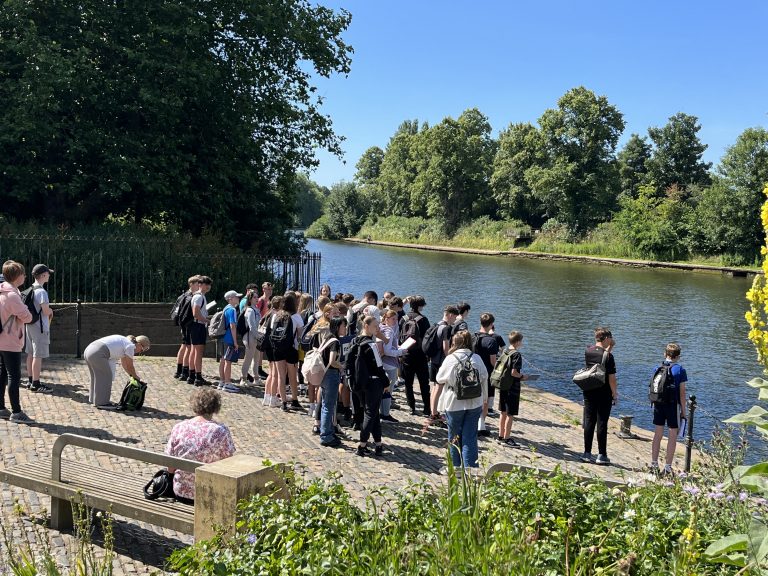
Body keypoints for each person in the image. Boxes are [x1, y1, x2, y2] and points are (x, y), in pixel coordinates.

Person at [165, 388, 236, 503]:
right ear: (215, 407)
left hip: (181, 492)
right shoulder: (220, 431)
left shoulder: (179, 427)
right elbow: (228, 463)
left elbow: (170, 464)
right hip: (209, 494)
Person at [436, 330, 488, 470]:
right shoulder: (477, 358)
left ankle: (455, 467)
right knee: (470, 437)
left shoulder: (451, 358)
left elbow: (439, 378)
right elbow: (484, 378)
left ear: (454, 343)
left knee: (454, 437)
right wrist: (485, 400)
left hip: (454, 402)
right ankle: (470, 469)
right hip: (474, 401)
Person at [0, 260, 34, 422]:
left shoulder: (2, 291)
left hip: (1, 338)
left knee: (2, 374)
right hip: (10, 339)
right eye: (23, 273)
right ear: (16, 276)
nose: (25, 276)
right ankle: (17, 412)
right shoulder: (13, 295)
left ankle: (1, 407)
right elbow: (27, 317)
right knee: (13, 375)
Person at [581, 327, 618, 465]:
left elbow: (601, 360)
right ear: (606, 338)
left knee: (589, 421)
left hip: (589, 390)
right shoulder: (609, 357)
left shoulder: (588, 351)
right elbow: (611, 378)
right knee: (602, 422)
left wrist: (610, 347)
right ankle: (602, 454)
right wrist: (614, 394)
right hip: (604, 392)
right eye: (610, 338)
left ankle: (587, 453)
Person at [83, 334, 150, 409]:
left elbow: (124, 364)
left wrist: (132, 376)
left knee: (96, 376)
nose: (139, 352)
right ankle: (102, 403)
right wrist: (136, 377)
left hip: (89, 350)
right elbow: (130, 366)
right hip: (97, 353)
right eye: (142, 350)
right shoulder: (130, 346)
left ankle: (94, 399)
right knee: (106, 377)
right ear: (140, 344)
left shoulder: (126, 342)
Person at [353, 316, 388, 457]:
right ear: (366, 326)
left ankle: (378, 444)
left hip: (360, 383)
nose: (377, 329)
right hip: (374, 383)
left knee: (373, 413)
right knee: (370, 413)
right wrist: (386, 383)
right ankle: (362, 445)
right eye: (375, 326)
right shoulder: (371, 345)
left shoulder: (355, 341)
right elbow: (379, 368)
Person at [650, 343, 688, 475]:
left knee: (657, 434)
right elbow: (682, 393)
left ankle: (653, 464)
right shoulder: (680, 370)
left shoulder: (657, 368)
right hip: (673, 406)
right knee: (672, 435)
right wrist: (684, 411)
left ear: (664, 354)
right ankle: (667, 467)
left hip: (658, 404)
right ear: (678, 356)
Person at [315, 317, 347, 448]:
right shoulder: (335, 341)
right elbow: (332, 360)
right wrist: (342, 366)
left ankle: (327, 431)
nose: (345, 328)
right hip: (331, 375)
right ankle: (326, 435)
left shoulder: (327, 338)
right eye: (344, 326)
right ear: (338, 326)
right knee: (329, 405)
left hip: (323, 374)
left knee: (324, 404)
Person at [24, 263, 54, 392]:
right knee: (38, 355)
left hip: (30, 326)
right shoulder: (42, 292)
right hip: (40, 327)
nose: (49, 276)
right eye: (48, 274)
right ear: (43, 275)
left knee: (30, 353)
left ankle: (30, 380)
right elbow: (46, 311)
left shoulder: (31, 289)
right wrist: (51, 310)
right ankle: (36, 384)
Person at [399, 295, 431, 416]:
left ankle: (412, 407)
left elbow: (399, 337)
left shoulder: (403, 319)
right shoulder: (423, 319)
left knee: (408, 382)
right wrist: (428, 355)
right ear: (420, 306)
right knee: (424, 383)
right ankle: (427, 408)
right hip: (420, 355)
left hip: (406, 354)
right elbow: (427, 340)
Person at [427, 305, 458, 427]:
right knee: (438, 388)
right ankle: (434, 415)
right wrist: (451, 358)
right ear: (450, 315)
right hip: (441, 361)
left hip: (433, 360)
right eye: (454, 317)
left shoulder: (437, 324)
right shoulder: (446, 328)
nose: (455, 320)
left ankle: (433, 412)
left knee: (434, 387)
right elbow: (446, 348)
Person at [497, 331, 528, 448]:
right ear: (518, 342)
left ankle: (500, 436)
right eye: (521, 341)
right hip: (512, 387)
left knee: (503, 411)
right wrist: (522, 376)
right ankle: (507, 438)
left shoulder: (505, 351)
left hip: (503, 385)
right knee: (510, 414)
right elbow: (514, 372)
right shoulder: (516, 355)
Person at [474, 313, 500, 436]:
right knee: (485, 400)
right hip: (486, 374)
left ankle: (472, 422)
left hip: (473, 371)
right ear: (491, 324)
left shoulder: (473, 337)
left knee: (473, 397)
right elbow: (493, 361)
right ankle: (481, 426)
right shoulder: (491, 341)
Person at [187, 276, 212, 386]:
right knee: (198, 351)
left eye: (209, 284)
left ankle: (191, 375)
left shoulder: (200, 296)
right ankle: (197, 376)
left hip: (197, 325)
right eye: (206, 284)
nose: (208, 286)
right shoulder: (199, 297)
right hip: (198, 325)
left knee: (194, 350)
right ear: (200, 284)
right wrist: (207, 320)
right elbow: (195, 313)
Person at [174, 275, 200, 381]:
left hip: (184, 323)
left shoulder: (184, 295)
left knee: (184, 345)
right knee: (188, 347)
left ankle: (179, 371)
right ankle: (184, 372)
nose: (199, 285)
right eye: (198, 283)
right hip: (188, 324)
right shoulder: (190, 296)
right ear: (192, 284)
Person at [379, 309, 403, 422]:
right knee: (389, 388)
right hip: (389, 363)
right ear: (386, 319)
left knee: (384, 388)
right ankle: (385, 414)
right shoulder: (388, 331)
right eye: (393, 319)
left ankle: (383, 411)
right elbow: (388, 351)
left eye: (396, 318)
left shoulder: (380, 327)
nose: (396, 321)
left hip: (382, 362)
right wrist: (401, 352)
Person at [217, 290, 242, 393]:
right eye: (236, 297)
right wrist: (235, 342)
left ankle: (222, 381)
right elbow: (232, 326)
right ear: (230, 299)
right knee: (228, 361)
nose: (238, 298)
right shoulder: (232, 310)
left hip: (222, 337)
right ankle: (227, 383)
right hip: (228, 338)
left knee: (223, 360)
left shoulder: (226, 308)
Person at [240, 289, 261, 384]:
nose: (257, 299)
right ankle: (243, 378)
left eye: (257, 297)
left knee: (256, 358)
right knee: (248, 358)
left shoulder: (256, 309)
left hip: (256, 336)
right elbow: (252, 326)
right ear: (250, 299)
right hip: (250, 336)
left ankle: (256, 378)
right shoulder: (249, 310)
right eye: (254, 297)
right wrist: (258, 336)